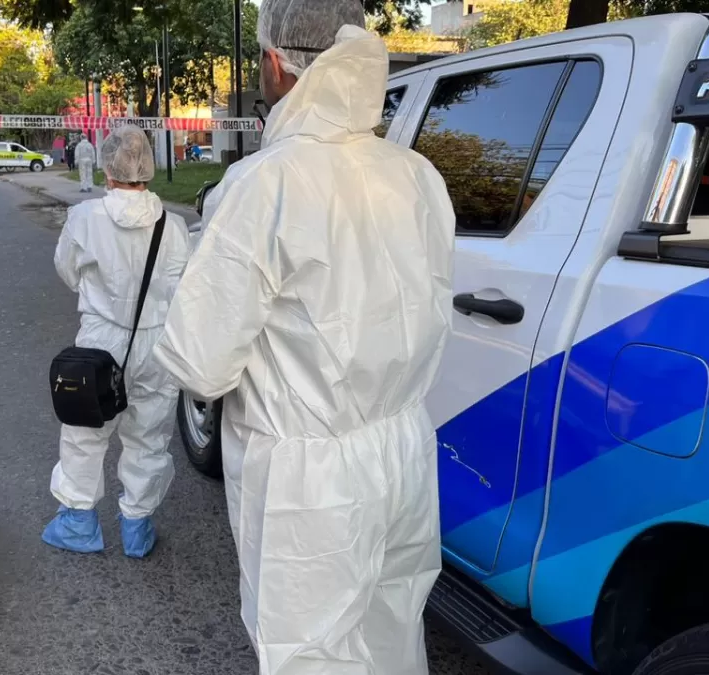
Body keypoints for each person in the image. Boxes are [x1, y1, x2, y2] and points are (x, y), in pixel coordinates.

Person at [152, 0, 455, 671]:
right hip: (403, 447)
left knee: (308, 655)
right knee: (392, 634)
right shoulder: (416, 176)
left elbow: (200, 364)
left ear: (276, 63)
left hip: (307, 477)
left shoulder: (265, 184)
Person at [43, 126, 191, 559]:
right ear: (149, 166)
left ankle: (78, 522)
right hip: (159, 340)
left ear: (107, 167)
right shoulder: (175, 225)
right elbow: (185, 284)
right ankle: (137, 527)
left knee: (85, 432)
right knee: (149, 435)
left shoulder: (86, 218)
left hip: (100, 342)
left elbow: (67, 272)